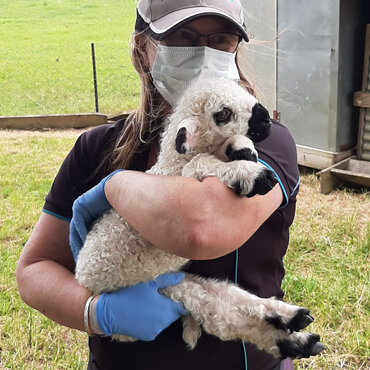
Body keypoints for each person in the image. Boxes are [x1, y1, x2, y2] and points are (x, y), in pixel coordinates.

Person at [16, 1, 300, 369]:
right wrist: (95, 312)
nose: (203, 53)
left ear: (235, 50)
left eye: (221, 38)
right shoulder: (97, 147)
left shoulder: (262, 142)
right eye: (182, 36)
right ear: (141, 50)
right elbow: (35, 267)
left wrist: (117, 188)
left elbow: (200, 227)